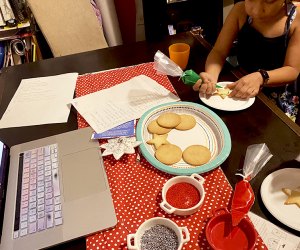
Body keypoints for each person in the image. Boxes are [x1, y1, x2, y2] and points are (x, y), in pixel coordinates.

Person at [193, 0, 300, 123]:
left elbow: (292, 69)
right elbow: (219, 51)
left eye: (269, 1)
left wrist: (261, 77)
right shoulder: (240, 11)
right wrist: (211, 75)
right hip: (240, 84)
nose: (255, 9)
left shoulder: (296, 18)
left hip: (277, 94)